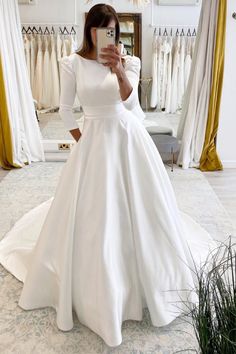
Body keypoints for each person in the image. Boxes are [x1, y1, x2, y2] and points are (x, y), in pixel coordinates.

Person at [0, 4, 216, 347]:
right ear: (89, 30)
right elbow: (68, 109)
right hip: (94, 141)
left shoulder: (129, 62)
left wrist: (118, 70)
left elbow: (132, 106)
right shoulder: (71, 63)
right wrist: (84, 142)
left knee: (142, 208)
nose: (105, 36)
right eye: (99, 29)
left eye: (111, 30)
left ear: (116, 31)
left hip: (129, 139)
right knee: (93, 215)